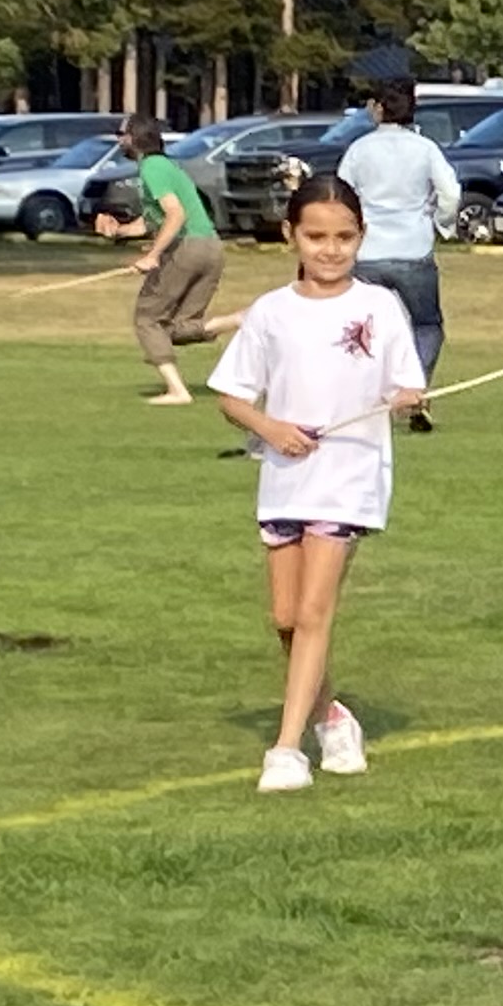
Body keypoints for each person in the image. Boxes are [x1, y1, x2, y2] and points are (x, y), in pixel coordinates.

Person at [204, 176, 426, 790]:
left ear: (361, 237)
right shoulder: (272, 311)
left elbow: (403, 385)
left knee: (312, 612)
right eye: (317, 236)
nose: (330, 249)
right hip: (284, 477)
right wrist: (271, 429)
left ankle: (285, 750)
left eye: (344, 237)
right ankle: (332, 717)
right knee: (283, 616)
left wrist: (410, 400)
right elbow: (230, 395)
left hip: (349, 476)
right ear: (291, 235)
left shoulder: (380, 306)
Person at [337, 81, 463, 425]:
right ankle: (414, 392)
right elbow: (450, 193)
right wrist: (441, 222)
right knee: (426, 326)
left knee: (363, 327)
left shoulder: (359, 149)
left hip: (367, 252)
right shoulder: (424, 148)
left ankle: (361, 396)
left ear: (378, 108)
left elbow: (341, 194)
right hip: (413, 249)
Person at [103, 114, 234, 405]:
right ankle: (241, 319)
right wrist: (119, 231)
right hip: (211, 247)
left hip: (188, 247)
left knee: (148, 318)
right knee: (176, 327)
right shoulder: (165, 166)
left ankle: (177, 391)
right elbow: (151, 222)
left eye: (121, 133)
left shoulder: (152, 167)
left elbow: (176, 215)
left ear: (135, 137)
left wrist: (152, 256)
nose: (118, 139)